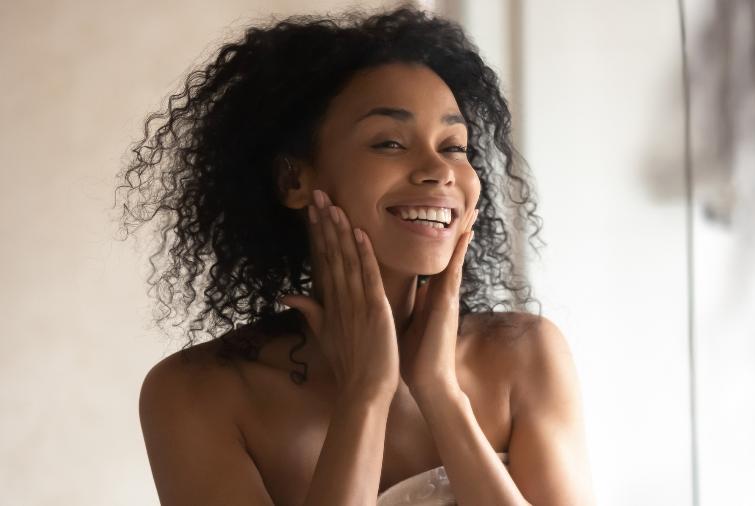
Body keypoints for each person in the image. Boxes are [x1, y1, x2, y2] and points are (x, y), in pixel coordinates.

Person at [116, 5, 596, 505]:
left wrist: (441, 394)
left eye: (455, 146)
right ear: (294, 180)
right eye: (390, 142)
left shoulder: (527, 354)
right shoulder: (198, 394)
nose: (439, 170)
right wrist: (365, 395)